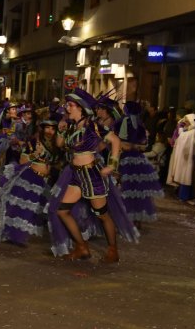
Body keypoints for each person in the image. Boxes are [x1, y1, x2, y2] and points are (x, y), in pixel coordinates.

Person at [47, 89, 139, 262]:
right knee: (62, 211)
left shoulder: (94, 127)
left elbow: (116, 141)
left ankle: (113, 250)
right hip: (75, 174)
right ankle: (82, 247)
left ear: (81, 108)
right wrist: (60, 128)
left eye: (71, 105)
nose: (67, 108)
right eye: (67, 105)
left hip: (92, 175)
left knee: (102, 215)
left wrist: (112, 165)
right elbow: (59, 144)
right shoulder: (71, 126)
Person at [0, 116, 61, 246]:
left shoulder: (56, 145)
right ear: (42, 129)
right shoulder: (34, 142)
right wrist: (35, 155)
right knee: (19, 209)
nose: (50, 131)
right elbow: (23, 160)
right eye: (47, 128)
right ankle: (13, 235)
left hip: (44, 181)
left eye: (53, 129)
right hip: (29, 178)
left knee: (32, 210)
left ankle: (15, 235)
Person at [114, 101, 164, 227]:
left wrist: (126, 146)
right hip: (139, 159)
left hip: (126, 158)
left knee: (127, 188)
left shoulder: (123, 122)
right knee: (138, 189)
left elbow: (119, 142)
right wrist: (136, 146)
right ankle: (137, 218)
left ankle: (129, 218)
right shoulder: (140, 123)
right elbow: (144, 144)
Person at [166, 113, 195, 202]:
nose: (186, 123)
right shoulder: (189, 131)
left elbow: (183, 138)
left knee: (185, 176)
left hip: (187, 158)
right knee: (182, 176)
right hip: (184, 157)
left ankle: (184, 196)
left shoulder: (193, 131)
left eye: (187, 121)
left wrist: (180, 128)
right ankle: (181, 194)